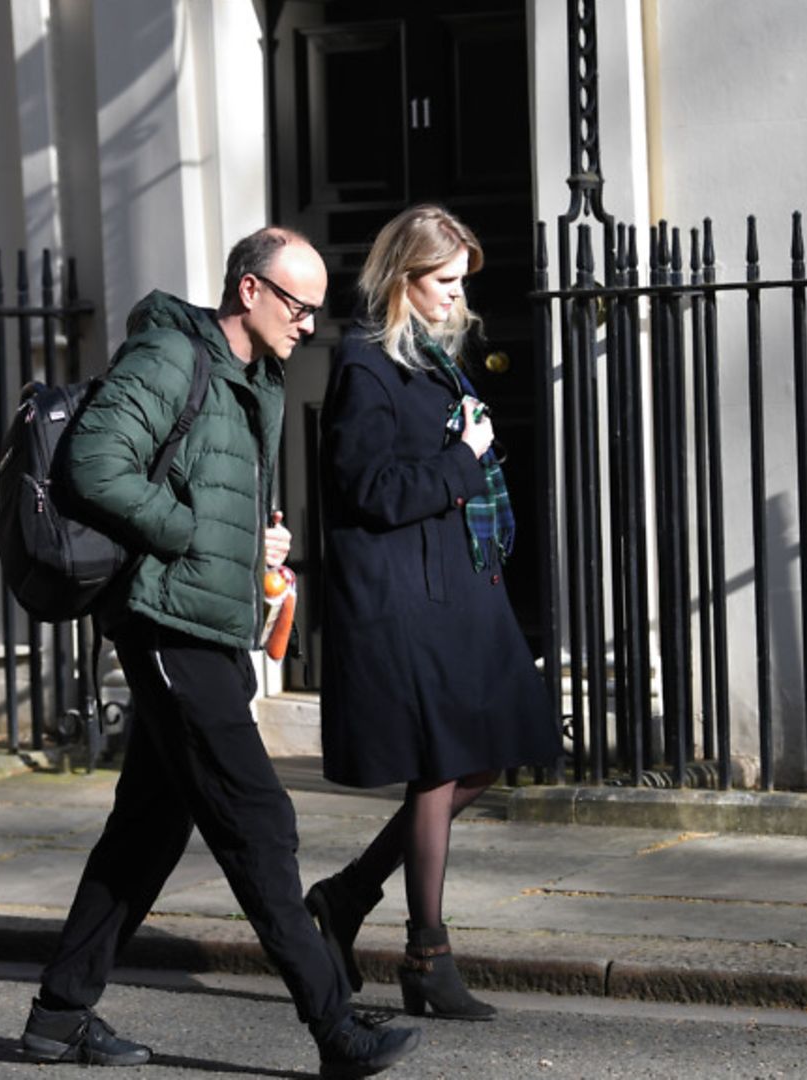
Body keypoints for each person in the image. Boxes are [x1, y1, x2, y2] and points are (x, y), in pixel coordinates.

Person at [19, 226, 422, 1079]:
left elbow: (202, 483)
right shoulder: (169, 354)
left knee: (144, 835)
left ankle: (58, 1018)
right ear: (250, 290)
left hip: (207, 626)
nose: (309, 324)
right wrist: (194, 535)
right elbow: (95, 464)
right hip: (167, 630)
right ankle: (335, 1030)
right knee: (259, 823)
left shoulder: (256, 378)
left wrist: (252, 552)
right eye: (298, 305)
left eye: (315, 310)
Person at [306, 204, 561, 1021]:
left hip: (458, 586)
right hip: (403, 596)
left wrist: (464, 448)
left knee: (484, 756)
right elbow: (368, 490)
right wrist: (464, 457)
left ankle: (346, 896)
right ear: (402, 279)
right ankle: (427, 955)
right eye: (444, 282)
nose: (456, 296)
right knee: (442, 762)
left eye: (459, 283)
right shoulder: (363, 366)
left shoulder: (431, 359)